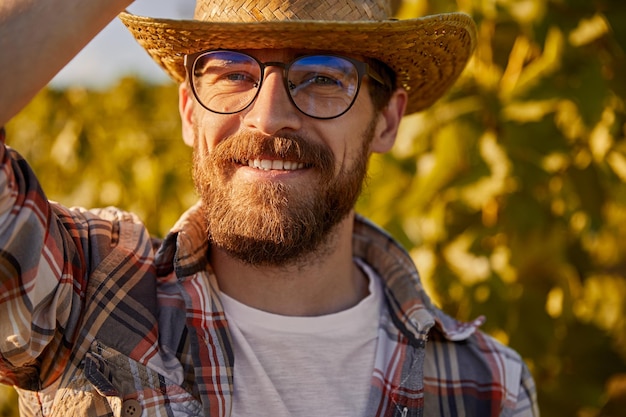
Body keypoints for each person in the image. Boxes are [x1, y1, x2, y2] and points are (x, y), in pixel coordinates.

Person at [0, 0, 540, 415]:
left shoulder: (491, 388)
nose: (269, 116)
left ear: (387, 122)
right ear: (189, 112)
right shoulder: (83, 295)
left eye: (325, 77)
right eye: (234, 74)